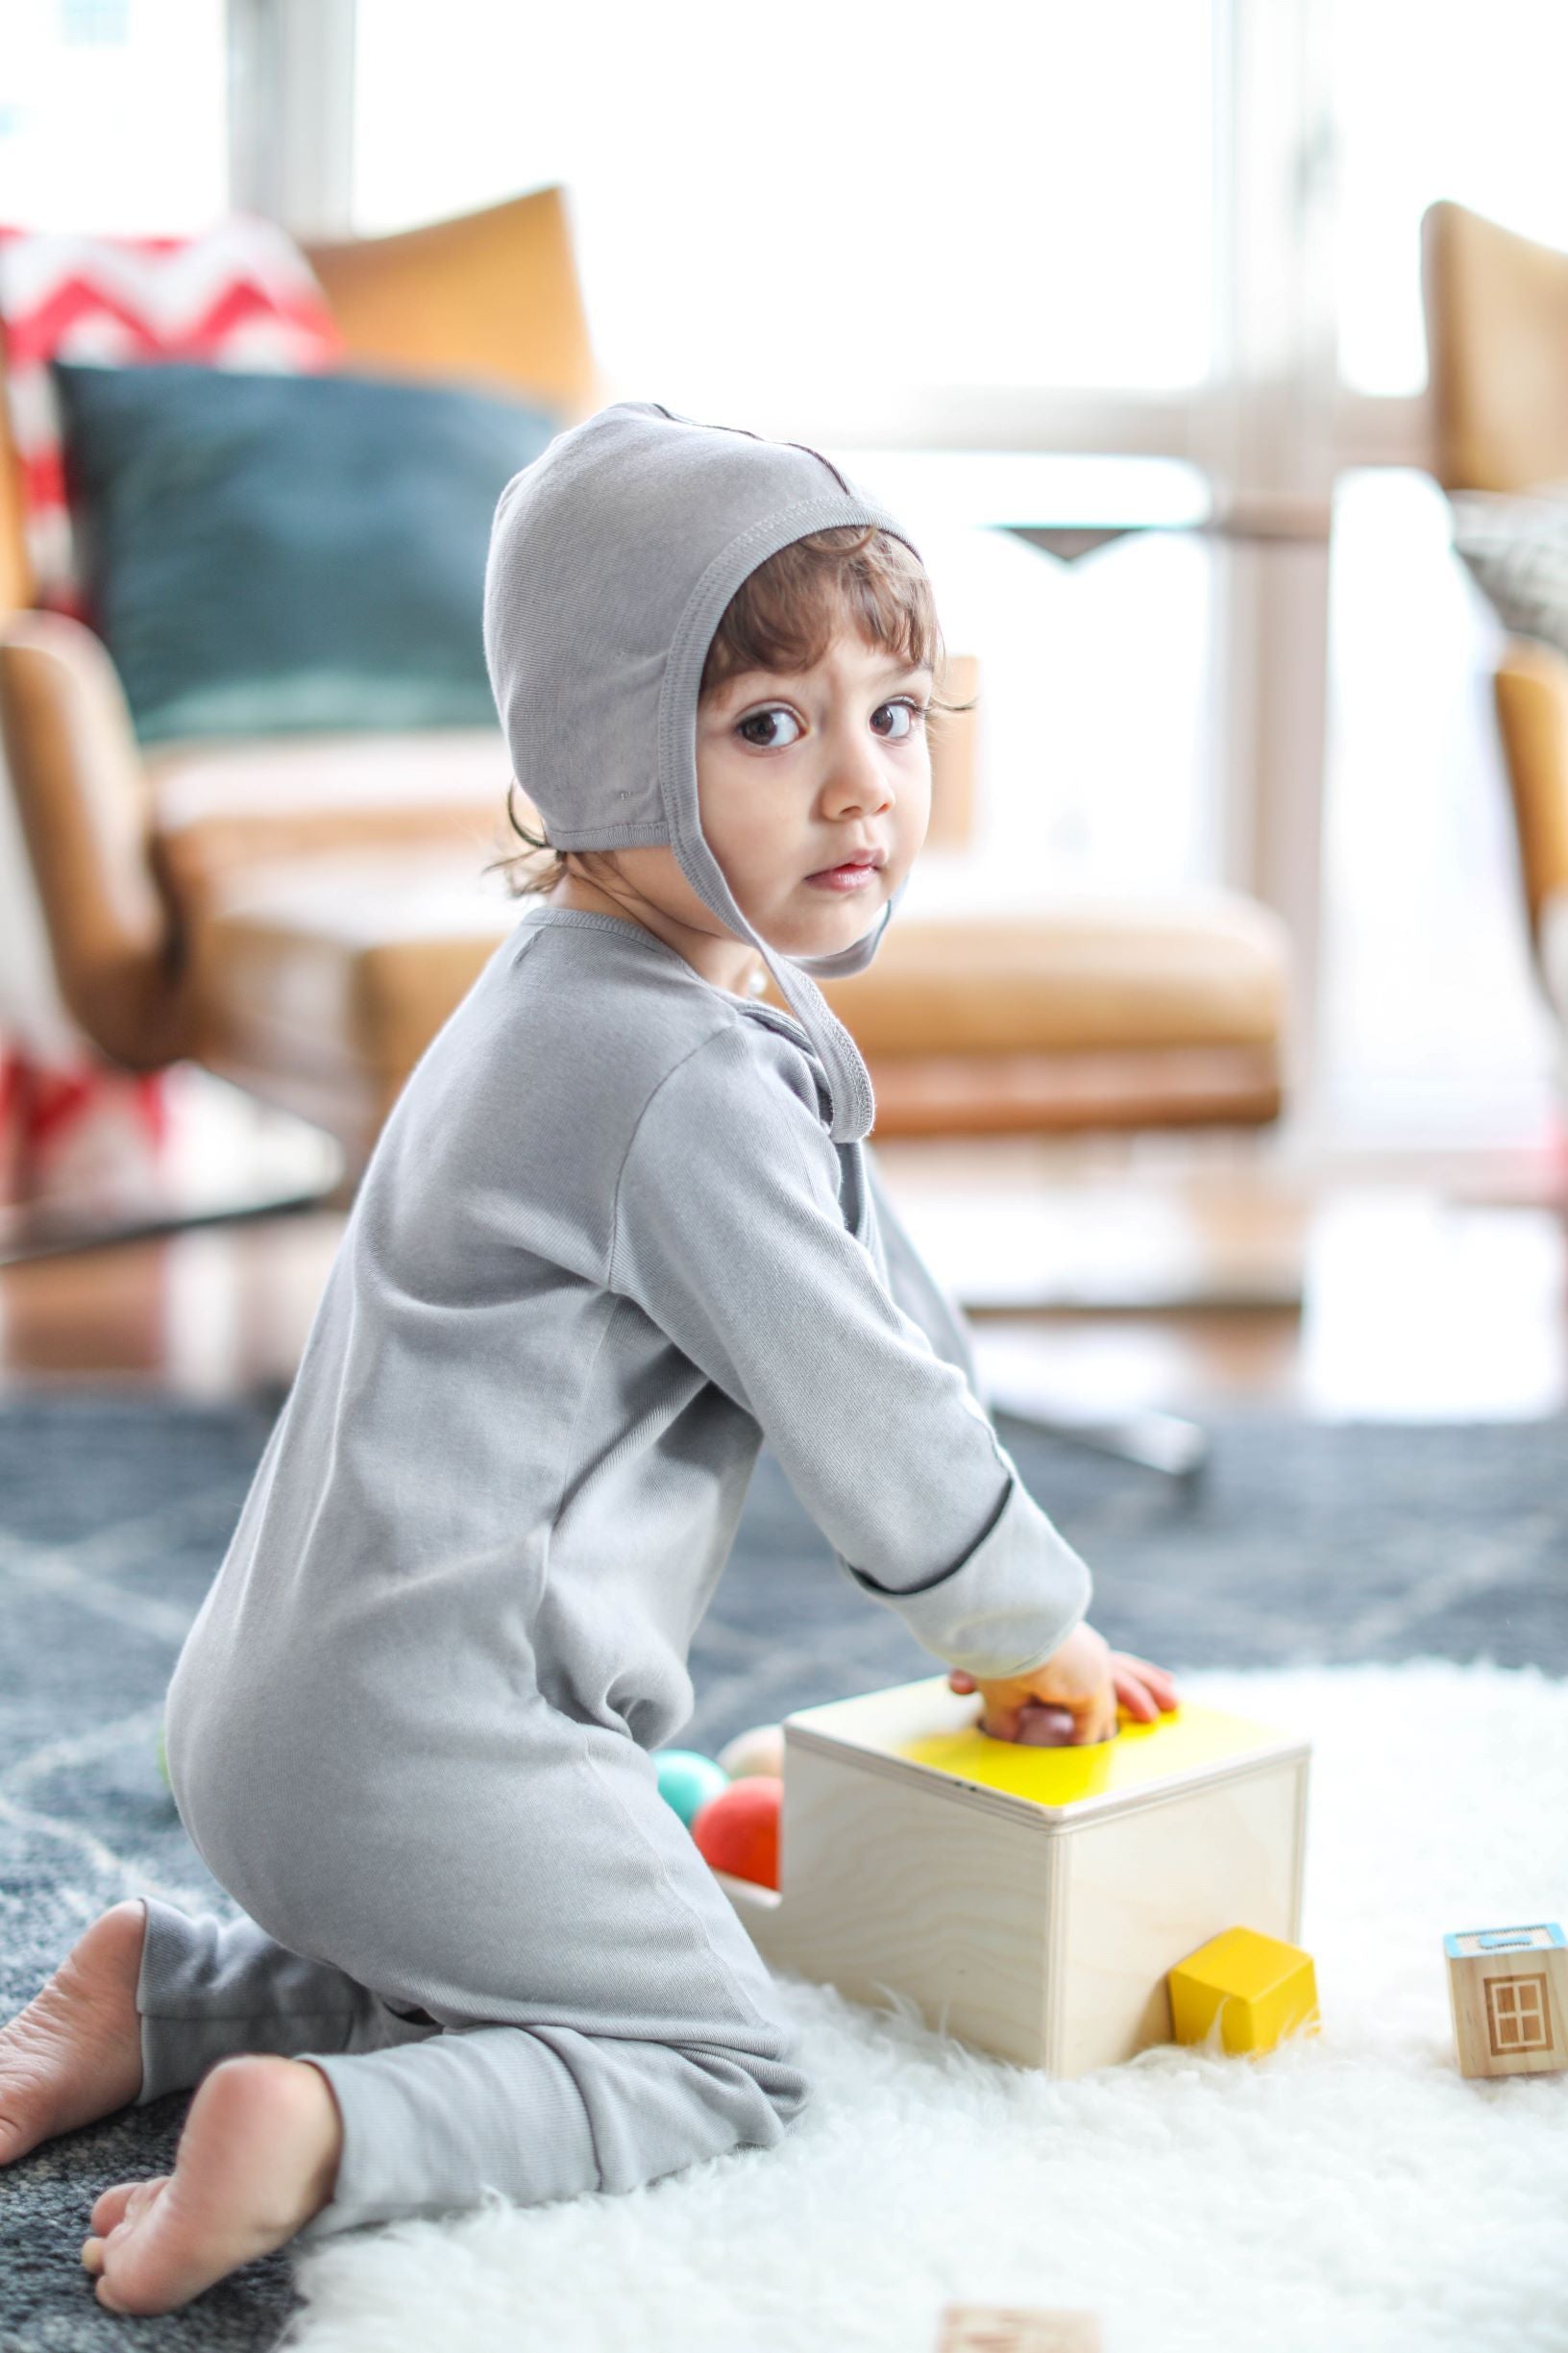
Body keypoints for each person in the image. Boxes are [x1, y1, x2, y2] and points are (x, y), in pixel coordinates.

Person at [0, 403, 1177, 2314]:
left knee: (567, 1951)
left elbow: (869, 1281)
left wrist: (1011, 1578)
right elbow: (857, 1398)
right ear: (605, 743)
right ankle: (319, 2125)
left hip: (292, 1708)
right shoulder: (681, 1072)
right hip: (439, 1746)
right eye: (770, 727)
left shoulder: (601, 981)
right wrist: (1020, 1625)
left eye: (897, 716)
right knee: (720, 2049)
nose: (861, 788)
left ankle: (177, 1992)